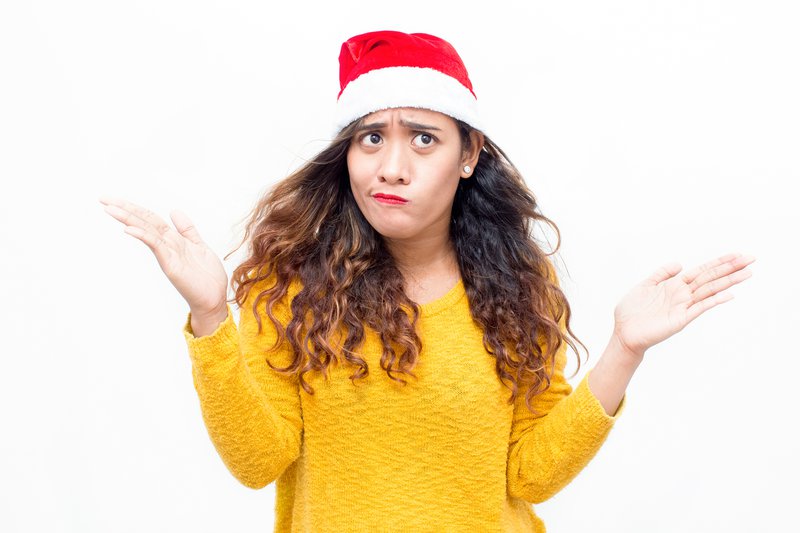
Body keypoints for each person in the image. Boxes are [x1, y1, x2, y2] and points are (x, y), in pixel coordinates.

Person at [99, 30, 755, 533]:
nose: (390, 166)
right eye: (370, 138)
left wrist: (624, 349)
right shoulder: (294, 283)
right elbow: (257, 460)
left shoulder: (517, 285)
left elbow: (531, 471)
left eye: (422, 139)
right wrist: (213, 314)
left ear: (468, 155)